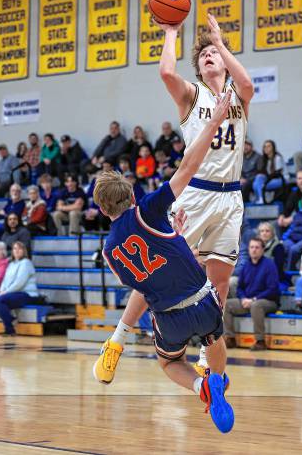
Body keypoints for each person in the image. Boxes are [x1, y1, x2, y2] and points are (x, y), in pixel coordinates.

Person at [92, 92, 234, 433]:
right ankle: (215, 379)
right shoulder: (150, 209)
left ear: (101, 209)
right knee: (215, 340)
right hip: (203, 303)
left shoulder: (110, 251)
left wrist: (175, 239)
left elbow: (147, 281)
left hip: (169, 318)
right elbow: (188, 166)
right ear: (131, 195)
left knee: (170, 363)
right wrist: (214, 121)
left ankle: (198, 387)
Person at [159, 13, 254, 373]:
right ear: (198, 70)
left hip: (230, 197)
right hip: (196, 193)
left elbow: (246, 82)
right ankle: (125, 336)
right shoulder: (192, 95)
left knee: (222, 282)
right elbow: (167, 73)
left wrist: (219, 41)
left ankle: (206, 347)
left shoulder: (238, 96)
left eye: (215, 53)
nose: (210, 56)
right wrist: (171, 33)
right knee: (167, 266)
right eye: (204, 55)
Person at [223, 238, 279, 351]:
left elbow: (272, 289)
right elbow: (240, 288)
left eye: (257, 247)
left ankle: (260, 341)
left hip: (268, 301)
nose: (254, 250)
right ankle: (230, 338)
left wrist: (253, 299)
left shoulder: (269, 265)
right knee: (226, 304)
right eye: (252, 247)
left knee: (256, 305)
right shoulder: (246, 265)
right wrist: (243, 298)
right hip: (248, 301)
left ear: (263, 250)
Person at [0, 241, 38, 335]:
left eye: (19, 248)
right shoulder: (11, 264)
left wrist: (6, 292)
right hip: (13, 293)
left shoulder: (26, 263)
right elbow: (5, 280)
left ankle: (9, 329)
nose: (17, 250)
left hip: (26, 294)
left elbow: (20, 283)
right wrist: (2, 289)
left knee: (0, 300)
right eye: (15, 248)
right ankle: (11, 319)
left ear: (24, 251)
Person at [252, 140, 285, 204]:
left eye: (269, 146)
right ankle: (261, 198)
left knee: (257, 185)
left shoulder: (277, 158)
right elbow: (264, 173)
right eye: (265, 146)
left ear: (273, 148)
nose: (266, 148)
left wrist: (265, 182)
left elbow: (278, 174)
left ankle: (261, 198)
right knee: (257, 179)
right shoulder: (265, 159)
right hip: (271, 179)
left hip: (281, 179)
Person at [257, 222, 287, 290]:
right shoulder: (255, 247)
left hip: (275, 279)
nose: (264, 233)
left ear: (272, 233)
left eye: (267, 231)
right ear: (259, 234)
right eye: (262, 231)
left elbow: (277, 268)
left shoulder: (278, 247)